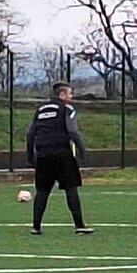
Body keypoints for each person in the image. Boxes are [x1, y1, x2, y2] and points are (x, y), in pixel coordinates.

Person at [26, 82, 93, 235]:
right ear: (62, 95)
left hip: (43, 154)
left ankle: (36, 227)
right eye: (70, 93)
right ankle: (79, 225)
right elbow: (72, 131)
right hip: (62, 153)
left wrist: (30, 155)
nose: (71, 97)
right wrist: (82, 150)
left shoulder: (40, 110)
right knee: (71, 188)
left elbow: (30, 134)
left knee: (42, 191)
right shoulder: (67, 108)